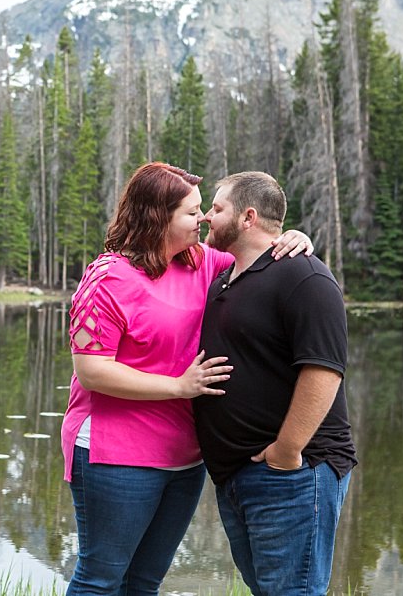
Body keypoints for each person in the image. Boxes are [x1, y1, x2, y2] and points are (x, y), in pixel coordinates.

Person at [61, 162, 312, 596]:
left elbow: (255, 248)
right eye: (192, 213)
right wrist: (179, 386)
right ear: (158, 218)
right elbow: (92, 369)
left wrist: (292, 238)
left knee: (144, 582)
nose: (204, 219)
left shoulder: (202, 262)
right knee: (101, 580)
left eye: (204, 210)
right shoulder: (107, 278)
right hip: (117, 455)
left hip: (184, 457)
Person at [193, 171, 357, 596]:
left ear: (248, 217)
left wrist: (286, 451)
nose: (208, 217)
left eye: (217, 208)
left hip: (292, 475)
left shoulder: (304, 277)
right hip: (238, 477)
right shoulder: (225, 279)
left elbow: (324, 371)